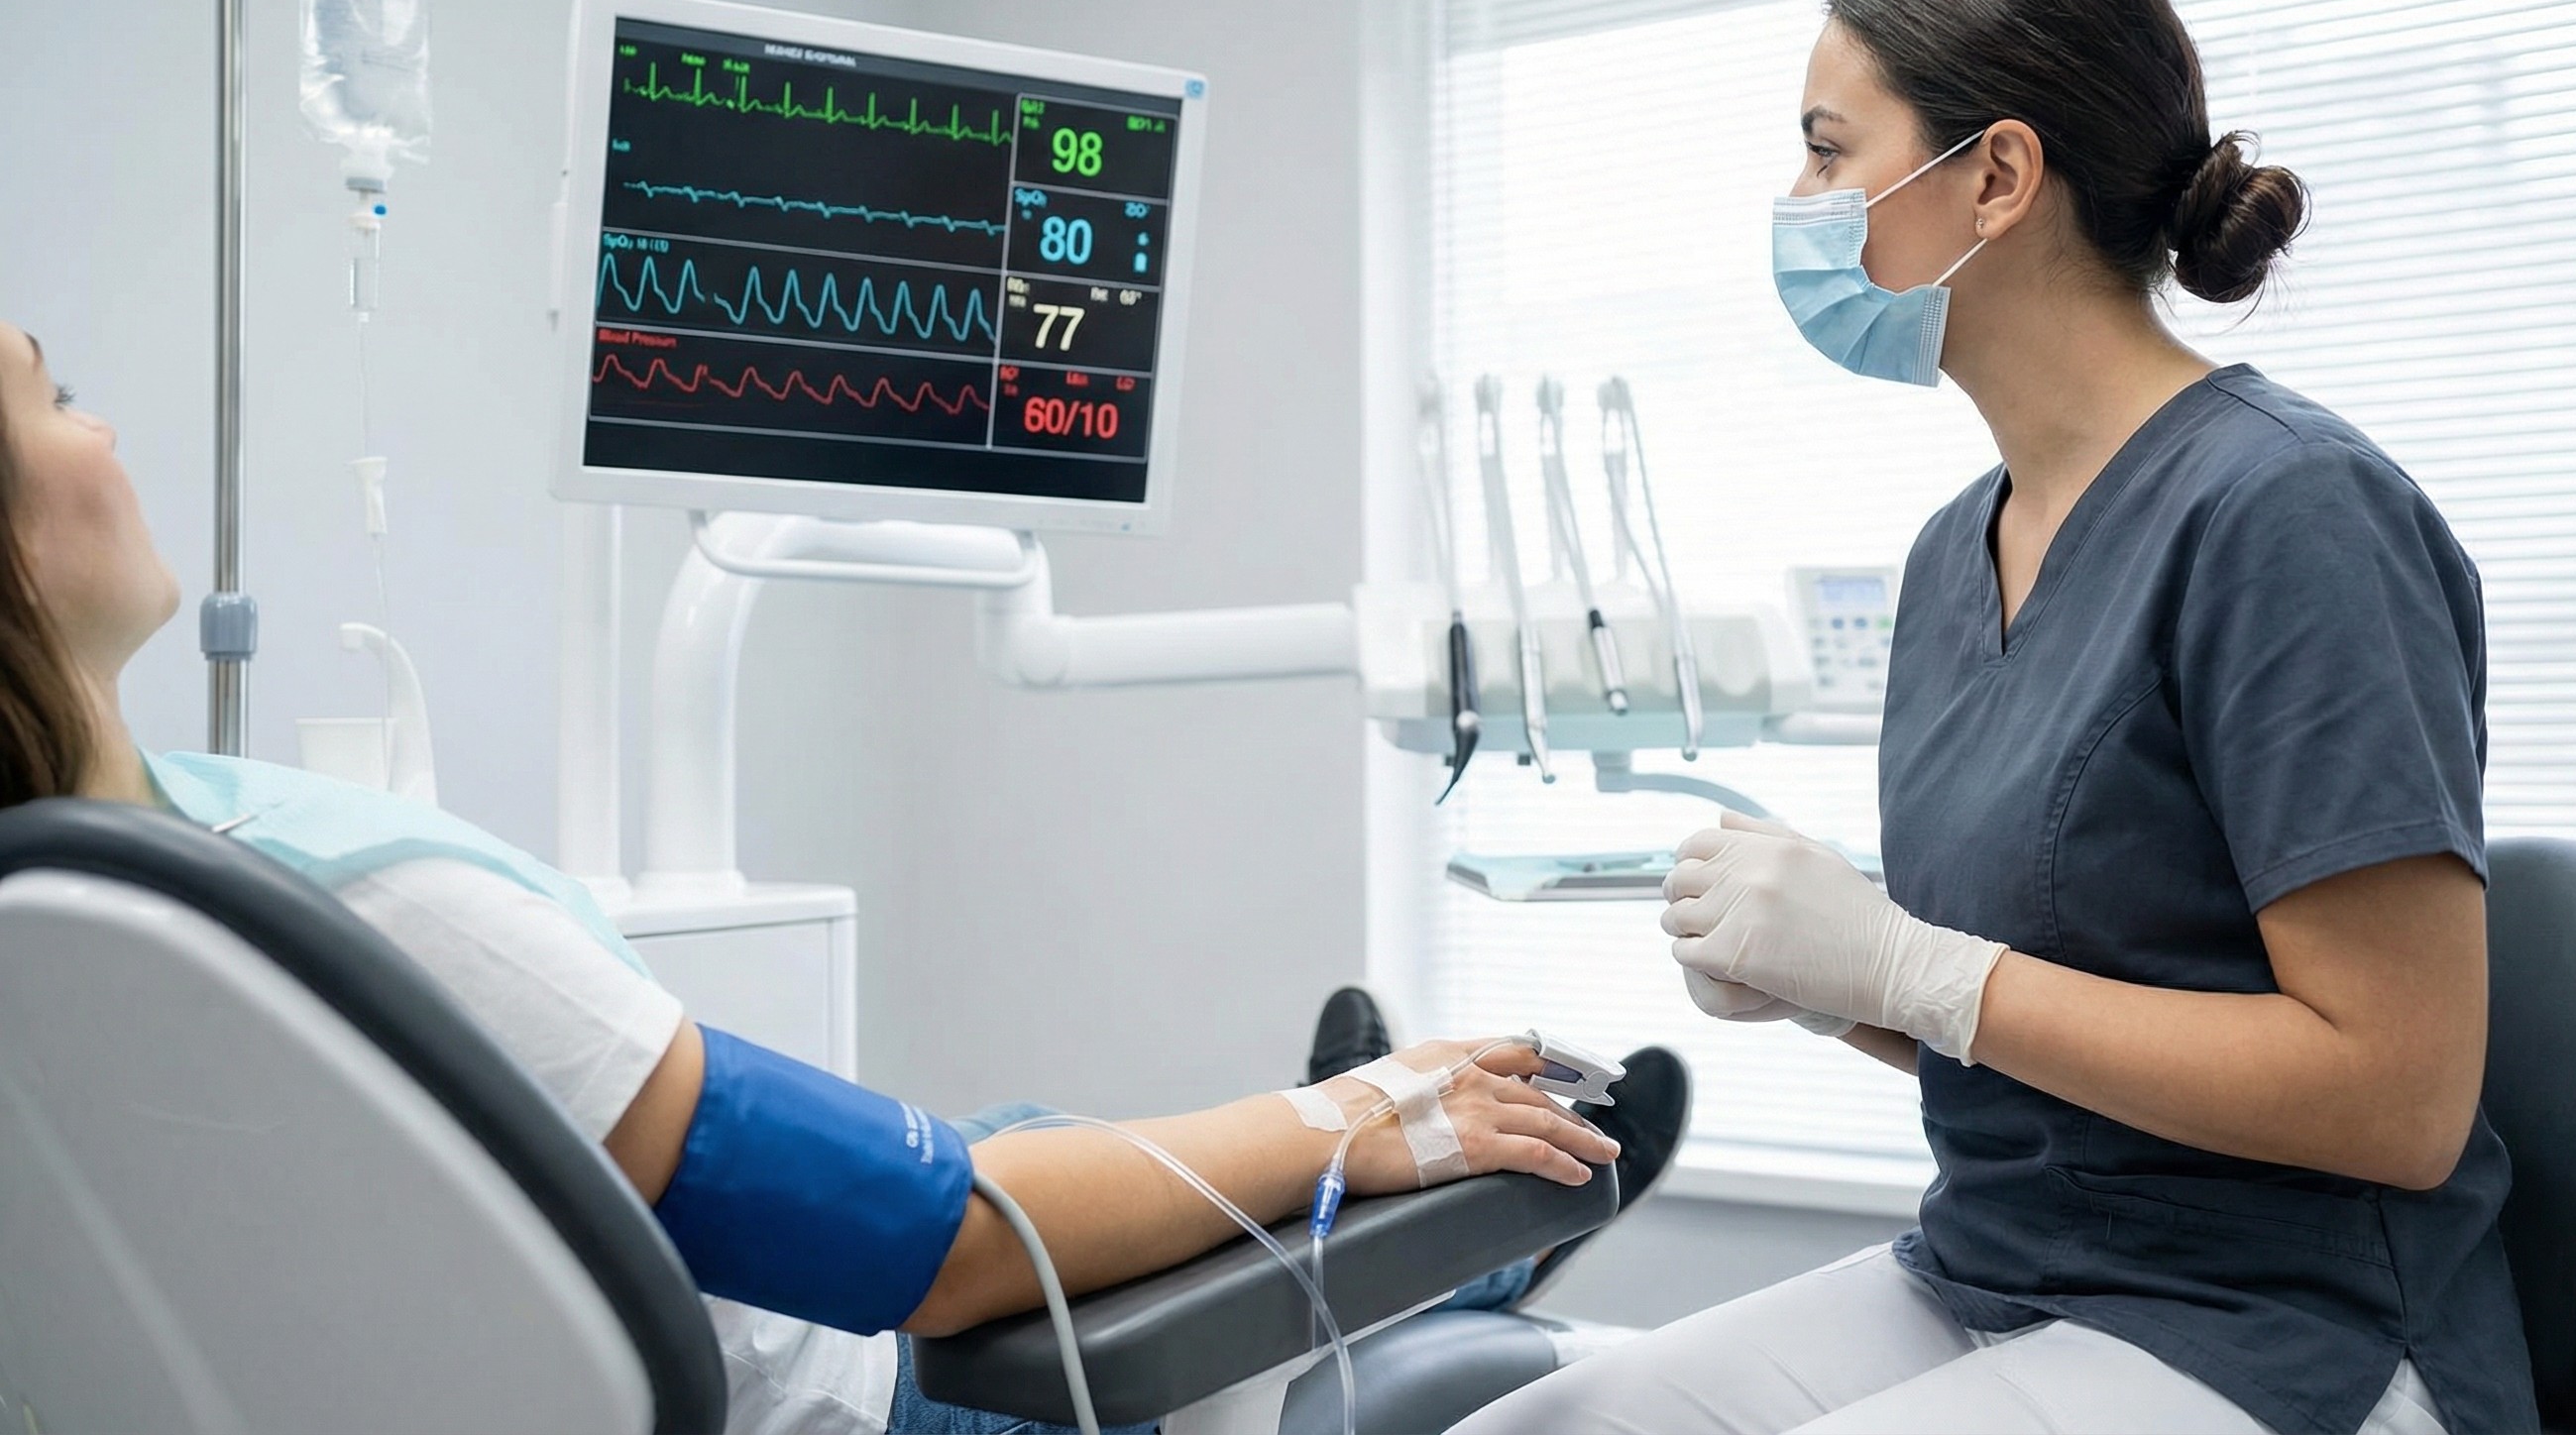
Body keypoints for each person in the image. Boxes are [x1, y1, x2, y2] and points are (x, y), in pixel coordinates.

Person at [0, 316, 1643, 1435]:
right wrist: (1359, 1120)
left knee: (1034, 1127)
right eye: (54, 397)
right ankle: (1496, 1223)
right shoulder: (320, 911)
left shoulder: (97, 905)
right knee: (1118, 1159)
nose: (108, 427)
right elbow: (942, 1243)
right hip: (884, 1382)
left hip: (811, 1272)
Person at [1452, 0, 2533, 1434]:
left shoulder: (2289, 513)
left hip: (2285, 1327)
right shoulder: (1960, 550)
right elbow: (2023, 1011)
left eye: (1832, 154)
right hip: (1998, 1271)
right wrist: (1832, 984)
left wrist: (1910, 969)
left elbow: (2399, 1099)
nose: (1800, 204)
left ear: (1998, 177)